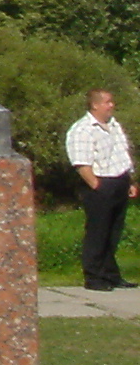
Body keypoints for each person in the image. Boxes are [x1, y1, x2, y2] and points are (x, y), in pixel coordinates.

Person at [68, 87, 133, 290]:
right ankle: (94, 277)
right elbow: (81, 163)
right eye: (107, 102)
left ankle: (110, 275)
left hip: (119, 180)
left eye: (111, 102)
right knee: (98, 232)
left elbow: (122, 152)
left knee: (113, 232)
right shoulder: (83, 129)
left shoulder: (113, 125)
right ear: (95, 105)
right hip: (100, 184)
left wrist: (129, 180)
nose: (111, 106)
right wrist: (97, 185)